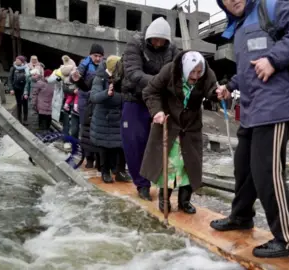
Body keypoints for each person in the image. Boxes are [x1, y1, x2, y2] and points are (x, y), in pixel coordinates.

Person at [211, 0, 289, 258]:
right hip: (252, 109)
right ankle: (241, 217)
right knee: (244, 168)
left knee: (266, 174)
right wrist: (231, 85)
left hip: (275, 107)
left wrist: (273, 59)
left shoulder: (270, 7)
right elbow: (249, 68)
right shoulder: (237, 26)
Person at [141, 50, 218, 214]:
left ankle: (184, 201)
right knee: (169, 165)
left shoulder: (206, 74)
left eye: (199, 72)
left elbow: (211, 90)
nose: (196, 76)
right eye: (192, 72)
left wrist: (217, 94)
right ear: (184, 68)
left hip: (191, 127)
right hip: (169, 123)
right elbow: (150, 91)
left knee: (188, 165)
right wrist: (157, 111)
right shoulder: (170, 71)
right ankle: (164, 198)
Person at [121, 17, 179, 201]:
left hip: (159, 101)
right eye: (155, 40)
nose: (158, 44)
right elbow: (133, 73)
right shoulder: (135, 43)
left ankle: (161, 183)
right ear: (149, 37)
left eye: (162, 41)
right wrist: (159, 82)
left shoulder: (172, 49)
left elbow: (180, 68)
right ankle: (141, 183)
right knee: (135, 143)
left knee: (160, 144)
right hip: (135, 99)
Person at [89, 56, 131, 183]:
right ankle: (105, 171)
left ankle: (120, 171)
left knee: (122, 145)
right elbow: (94, 97)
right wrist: (107, 93)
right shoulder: (100, 78)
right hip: (104, 119)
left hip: (119, 117)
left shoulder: (123, 79)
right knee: (105, 146)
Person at [71, 44, 105, 169]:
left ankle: (97, 157)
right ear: (91, 55)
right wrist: (75, 78)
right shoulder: (84, 64)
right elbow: (76, 78)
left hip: (98, 101)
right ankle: (88, 157)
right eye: (95, 56)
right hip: (85, 100)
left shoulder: (103, 66)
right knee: (86, 130)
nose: (97, 58)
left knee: (97, 129)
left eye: (100, 56)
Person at [8, 55, 29, 125]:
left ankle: (25, 119)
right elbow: (10, 79)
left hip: (24, 88)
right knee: (19, 103)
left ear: (22, 61)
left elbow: (29, 79)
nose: (16, 61)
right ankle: (19, 119)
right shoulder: (13, 68)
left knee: (25, 103)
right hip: (16, 88)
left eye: (18, 60)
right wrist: (11, 89)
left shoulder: (26, 68)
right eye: (16, 60)